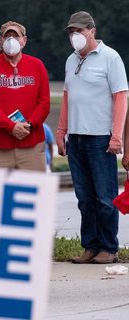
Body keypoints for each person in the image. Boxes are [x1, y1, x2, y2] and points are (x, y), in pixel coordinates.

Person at [56, 11, 128, 264]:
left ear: (92, 31)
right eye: (71, 32)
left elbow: (121, 97)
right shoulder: (71, 60)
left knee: (104, 197)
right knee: (84, 198)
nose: (74, 36)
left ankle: (109, 247)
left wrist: (117, 136)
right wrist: (61, 131)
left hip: (100, 138)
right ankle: (90, 245)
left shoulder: (110, 57)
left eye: (79, 31)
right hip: (75, 138)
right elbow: (66, 97)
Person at [0, 21, 50, 171]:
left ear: (24, 40)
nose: (11, 40)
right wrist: (11, 127)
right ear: (0, 41)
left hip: (32, 144)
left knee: (33, 192)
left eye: (16, 36)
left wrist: (29, 125)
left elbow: (44, 103)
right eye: (7, 36)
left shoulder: (37, 65)